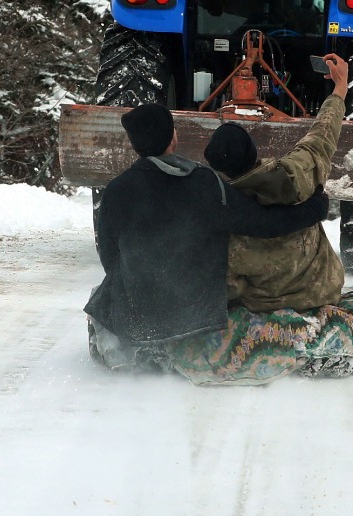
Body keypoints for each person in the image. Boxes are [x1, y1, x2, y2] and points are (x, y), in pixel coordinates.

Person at [85, 102, 328, 368]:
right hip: (195, 317)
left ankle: (145, 346)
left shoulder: (116, 190)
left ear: (135, 143)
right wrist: (313, 209)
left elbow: (108, 255)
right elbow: (263, 224)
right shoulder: (204, 183)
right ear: (172, 137)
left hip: (138, 315)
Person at [204, 53, 348, 312]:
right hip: (321, 294)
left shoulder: (220, 219)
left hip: (263, 307)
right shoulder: (298, 173)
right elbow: (322, 137)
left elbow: (228, 287)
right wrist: (339, 89)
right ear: (253, 152)